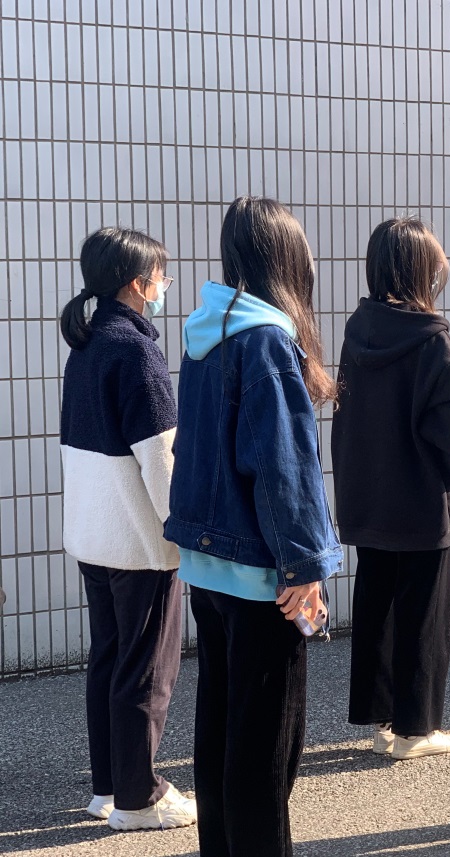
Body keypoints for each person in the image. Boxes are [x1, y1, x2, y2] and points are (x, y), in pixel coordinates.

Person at [164, 197, 342, 857]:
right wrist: (305, 567)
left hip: (211, 565)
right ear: (287, 260)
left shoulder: (206, 334)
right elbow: (282, 465)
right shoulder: (266, 339)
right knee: (266, 749)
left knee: (220, 728)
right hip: (264, 572)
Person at [58, 227, 197, 831]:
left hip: (94, 533)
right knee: (147, 670)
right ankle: (140, 798)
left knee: (110, 660)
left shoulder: (87, 344)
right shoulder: (136, 351)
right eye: (162, 276)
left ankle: (109, 788)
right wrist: (185, 529)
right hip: (140, 541)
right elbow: (161, 456)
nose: (165, 286)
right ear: (139, 284)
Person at [331, 217, 450, 760]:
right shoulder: (432, 340)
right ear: (420, 270)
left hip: (369, 500)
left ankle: (382, 722)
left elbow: (347, 421)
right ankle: (417, 729)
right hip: (421, 503)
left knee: (377, 605)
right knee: (423, 613)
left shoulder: (357, 332)